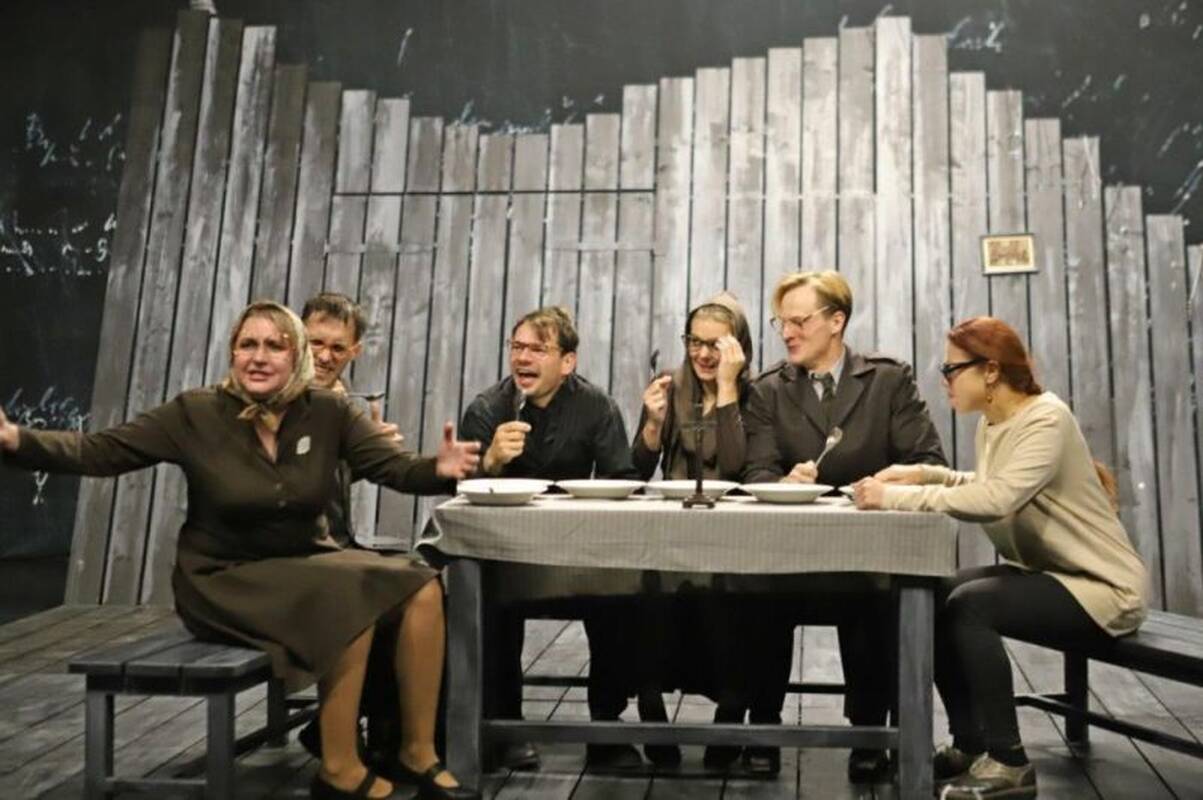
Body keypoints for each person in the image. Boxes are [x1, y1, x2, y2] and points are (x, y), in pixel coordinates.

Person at [0, 301, 482, 800]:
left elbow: (395, 468)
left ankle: (417, 752)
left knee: (421, 584)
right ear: (232, 352)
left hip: (306, 563)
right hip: (223, 577)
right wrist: (16, 439)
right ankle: (339, 768)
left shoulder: (328, 412)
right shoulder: (195, 413)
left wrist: (438, 468)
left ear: (295, 356)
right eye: (247, 344)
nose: (259, 356)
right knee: (348, 594)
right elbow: (99, 451)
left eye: (275, 346)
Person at [853, 316, 1148, 799]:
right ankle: (971, 745)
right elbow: (989, 483)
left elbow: (998, 499)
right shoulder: (994, 423)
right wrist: (925, 475)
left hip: (1101, 586)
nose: (944, 380)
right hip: (1050, 573)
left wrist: (894, 497)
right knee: (934, 590)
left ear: (990, 370)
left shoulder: (1046, 418)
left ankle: (1009, 761)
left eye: (951, 369)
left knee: (973, 605)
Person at [740, 270, 947, 780]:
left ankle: (870, 735)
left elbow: (927, 461)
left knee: (876, 599)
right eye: (781, 323)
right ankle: (763, 728)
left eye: (799, 321)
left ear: (836, 321)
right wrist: (784, 481)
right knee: (756, 597)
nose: (787, 333)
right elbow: (756, 472)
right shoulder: (767, 390)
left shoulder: (888, 380)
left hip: (866, 555)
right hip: (788, 558)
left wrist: (884, 485)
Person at [458, 306, 648, 771]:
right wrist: (490, 463)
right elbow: (459, 491)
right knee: (490, 598)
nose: (522, 358)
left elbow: (622, 478)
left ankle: (605, 729)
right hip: (508, 554)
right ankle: (505, 728)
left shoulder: (596, 406)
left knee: (622, 596)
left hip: (577, 552)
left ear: (567, 362)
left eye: (537, 349)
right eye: (517, 347)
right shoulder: (486, 410)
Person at [631, 292, 752, 769]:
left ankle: (730, 715)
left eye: (715, 345)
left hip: (733, 533)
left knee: (735, 605)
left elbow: (737, 465)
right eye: (694, 342)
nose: (703, 354)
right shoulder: (670, 384)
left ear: (738, 346)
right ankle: (651, 711)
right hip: (673, 528)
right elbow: (636, 469)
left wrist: (727, 390)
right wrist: (652, 425)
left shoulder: (756, 392)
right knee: (646, 598)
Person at [297, 291, 407, 767]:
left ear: (355, 351)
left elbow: (327, 481)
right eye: (315, 343)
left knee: (420, 588)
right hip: (291, 556)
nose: (324, 356)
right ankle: (355, 733)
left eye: (337, 348)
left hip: (335, 545)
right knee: (374, 597)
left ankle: (385, 734)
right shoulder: (281, 397)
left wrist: (370, 452)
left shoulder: (340, 401)